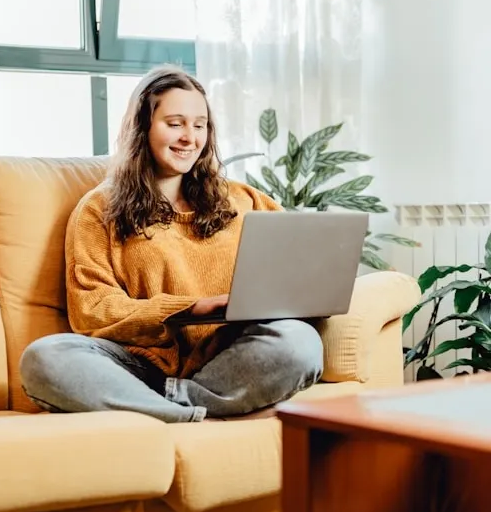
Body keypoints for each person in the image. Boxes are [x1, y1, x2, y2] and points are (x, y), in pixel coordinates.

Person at [20, 65, 323, 424]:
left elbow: (295, 274)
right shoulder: (99, 209)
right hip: (136, 368)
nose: (189, 138)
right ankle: (185, 415)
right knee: (46, 357)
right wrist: (188, 309)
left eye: (200, 125)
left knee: (300, 342)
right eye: (175, 123)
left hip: (227, 360)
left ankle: (174, 407)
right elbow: (92, 309)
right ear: (143, 127)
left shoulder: (246, 201)